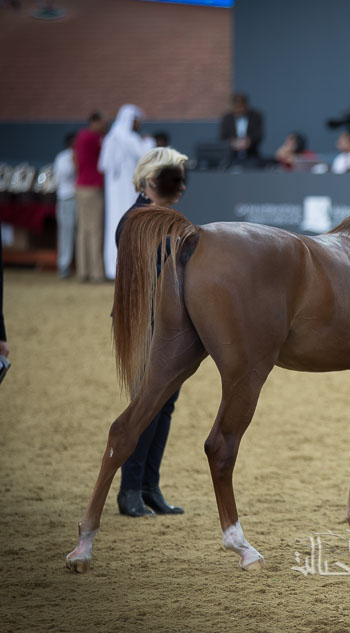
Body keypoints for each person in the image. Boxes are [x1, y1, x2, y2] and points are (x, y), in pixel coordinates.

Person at [114, 146, 191, 518]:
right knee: (147, 406)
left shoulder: (161, 219)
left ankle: (149, 487)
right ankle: (129, 489)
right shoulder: (136, 222)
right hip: (146, 325)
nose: (181, 186)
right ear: (150, 180)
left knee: (164, 405)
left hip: (168, 325)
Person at [100, 104, 155, 280]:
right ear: (131, 120)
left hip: (114, 191)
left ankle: (112, 268)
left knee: (114, 225)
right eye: (137, 121)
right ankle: (128, 268)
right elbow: (147, 156)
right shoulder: (130, 138)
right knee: (130, 224)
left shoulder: (110, 138)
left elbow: (102, 166)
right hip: (128, 190)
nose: (139, 124)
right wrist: (148, 141)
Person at [73, 111, 107, 283]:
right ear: (94, 121)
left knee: (83, 231)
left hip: (80, 186)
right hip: (93, 187)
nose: (104, 126)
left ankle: (83, 271)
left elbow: (75, 159)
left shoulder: (80, 136)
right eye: (102, 122)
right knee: (95, 231)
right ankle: (96, 273)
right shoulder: (95, 138)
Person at [53, 131, 77, 278]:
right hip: (67, 198)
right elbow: (63, 176)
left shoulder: (81, 154)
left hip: (79, 198)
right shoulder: (62, 157)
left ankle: (79, 265)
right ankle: (64, 265)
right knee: (66, 233)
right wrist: (74, 162)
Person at [219, 92, 264, 165]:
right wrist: (232, 143)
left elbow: (258, 135)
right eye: (236, 107)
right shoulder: (227, 118)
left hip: (251, 156)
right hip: (231, 157)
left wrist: (249, 141)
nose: (239, 109)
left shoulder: (255, 116)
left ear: (246, 105)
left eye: (241, 106)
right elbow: (222, 137)